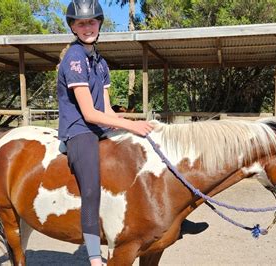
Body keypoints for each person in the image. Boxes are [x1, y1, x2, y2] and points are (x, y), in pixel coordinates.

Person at [57, 1, 154, 265]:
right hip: (80, 130)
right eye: (81, 23)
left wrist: (132, 122)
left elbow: (107, 109)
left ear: (99, 23)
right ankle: (94, 257)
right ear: (73, 27)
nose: (87, 27)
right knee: (91, 191)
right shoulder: (74, 59)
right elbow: (89, 113)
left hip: (100, 126)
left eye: (91, 22)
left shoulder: (100, 62)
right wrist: (131, 125)